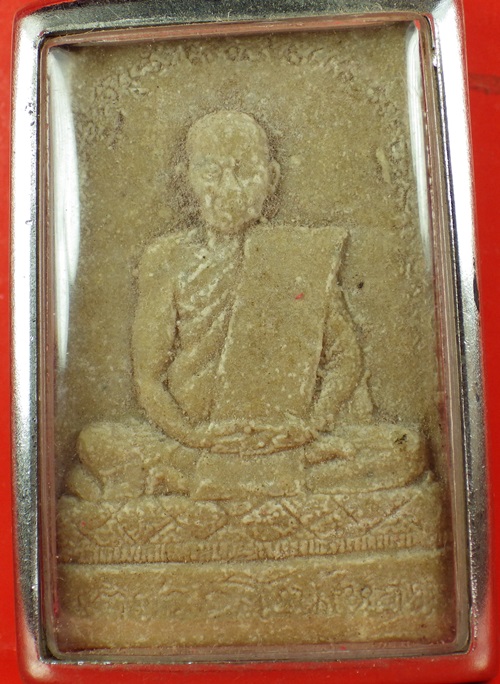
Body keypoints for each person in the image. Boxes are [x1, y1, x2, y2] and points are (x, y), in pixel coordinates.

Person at [67, 111, 425, 502]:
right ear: (186, 178)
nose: (229, 189)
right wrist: (194, 435)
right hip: (196, 441)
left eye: (246, 173)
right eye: (211, 173)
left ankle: (190, 482)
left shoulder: (302, 256)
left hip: (286, 440)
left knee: (403, 448)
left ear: (271, 178)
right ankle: (236, 478)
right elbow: (149, 380)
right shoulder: (166, 259)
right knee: (96, 441)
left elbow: (345, 358)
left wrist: (311, 425)